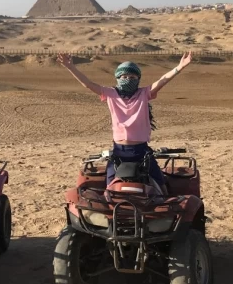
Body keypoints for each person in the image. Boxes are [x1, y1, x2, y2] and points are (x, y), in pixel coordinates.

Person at [57, 53, 193, 188]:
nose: (128, 79)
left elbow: (163, 80)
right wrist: (70, 67)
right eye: (124, 76)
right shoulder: (110, 93)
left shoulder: (144, 93)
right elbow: (87, 84)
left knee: (160, 183)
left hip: (141, 151)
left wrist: (180, 67)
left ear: (138, 79)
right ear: (118, 78)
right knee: (109, 185)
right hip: (119, 152)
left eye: (132, 77)